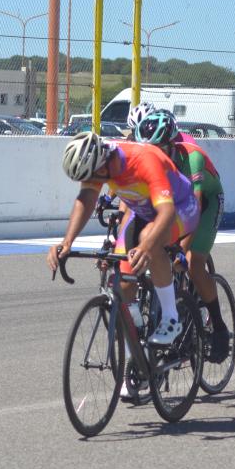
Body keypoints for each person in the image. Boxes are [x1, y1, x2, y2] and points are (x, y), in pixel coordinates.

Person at [47, 131, 200, 349]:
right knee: (125, 283)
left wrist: (147, 247)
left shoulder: (144, 160)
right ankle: (134, 358)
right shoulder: (98, 161)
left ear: (101, 168)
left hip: (180, 207)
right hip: (143, 212)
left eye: (90, 177)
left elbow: (165, 213)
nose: (89, 182)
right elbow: (86, 199)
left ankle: (170, 318)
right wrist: (67, 242)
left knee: (149, 239)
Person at [135, 111, 230, 362]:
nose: (151, 155)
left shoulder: (192, 157)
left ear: (171, 145)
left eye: (157, 149)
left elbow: (194, 208)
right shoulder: (147, 162)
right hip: (174, 201)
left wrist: (181, 249)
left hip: (206, 201)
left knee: (194, 262)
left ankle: (219, 326)